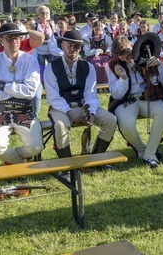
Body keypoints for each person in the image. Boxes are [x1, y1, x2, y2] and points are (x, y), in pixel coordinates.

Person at [45, 30, 117, 161]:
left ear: (80, 48)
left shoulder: (88, 66)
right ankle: (67, 165)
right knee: (60, 126)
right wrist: (68, 111)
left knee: (110, 120)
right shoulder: (51, 67)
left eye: (76, 46)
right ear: (62, 45)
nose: (72, 49)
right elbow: (52, 97)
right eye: (69, 45)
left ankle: (96, 159)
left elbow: (91, 93)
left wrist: (91, 112)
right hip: (60, 108)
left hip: (83, 106)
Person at [0, 23, 44, 164]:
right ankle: (21, 164)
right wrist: (17, 90)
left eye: (16, 38)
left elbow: (30, 92)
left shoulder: (30, 60)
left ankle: (15, 158)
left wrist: (2, 86)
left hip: (24, 111)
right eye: (9, 39)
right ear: (1, 40)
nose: (13, 42)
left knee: (36, 147)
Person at [109, 33, 163, 168]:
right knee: (126, 124)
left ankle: (150, 153)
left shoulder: (146, 56)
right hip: (127, 100)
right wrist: (123, 78)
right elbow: (115, 94)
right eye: (121, 57)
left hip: (149, 96)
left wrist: (158, 66)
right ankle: (142, 150)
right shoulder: (114, 64)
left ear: (132, 47)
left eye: (127, 55)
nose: (125, 59)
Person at [83, 20, 112, 84]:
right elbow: (87, 52)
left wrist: (107, 50)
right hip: (93, 56)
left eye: (99, 30)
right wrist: (96, 51)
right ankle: (95, 83)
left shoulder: (105, 37)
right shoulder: (88, 38)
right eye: (96, 30)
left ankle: (106, 84)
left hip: (104, 56)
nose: (98, 31)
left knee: (106, 65)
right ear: (93, 28)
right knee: (95, 65)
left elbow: (110, 46)